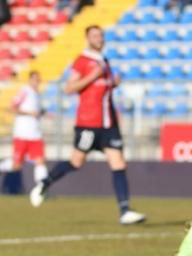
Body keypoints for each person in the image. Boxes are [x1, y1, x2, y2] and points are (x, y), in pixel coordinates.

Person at [29, 26, 145, 224]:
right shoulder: (82, 61)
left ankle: (125, 211)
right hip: (88, 123)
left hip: (108, 123)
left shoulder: (104, 62)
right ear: (87, 39)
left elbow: (102, 89)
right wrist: (92, 76)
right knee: (76, 162)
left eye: (101, 35)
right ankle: (45, 183)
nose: (99, 39)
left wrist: (113, 83)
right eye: (95, 36)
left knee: (119, 163)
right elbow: (68, 88)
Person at [1, 71, 48, 194]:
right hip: (22, 133)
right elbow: (12, 106)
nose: (37, 82)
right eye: (35, 79)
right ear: (30, 80)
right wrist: (29, 113)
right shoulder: (24, 91)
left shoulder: (37, 94)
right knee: (16, 165)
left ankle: (41, 190)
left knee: (40, 161)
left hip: (35, 134)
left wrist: (43, 113)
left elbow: (36, 111)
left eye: (39, 80)